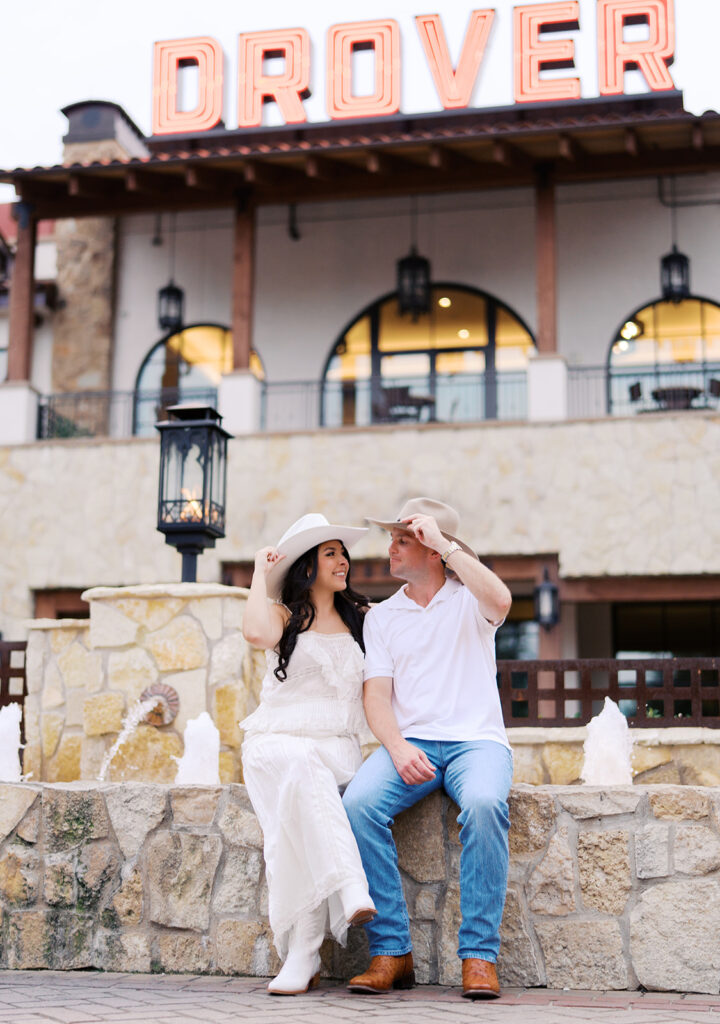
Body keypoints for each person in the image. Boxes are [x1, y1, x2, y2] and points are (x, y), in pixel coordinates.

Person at [342, 497, 514, 1000]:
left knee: (484, 804)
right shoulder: (384, 617)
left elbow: (502, 601)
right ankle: (392, 951)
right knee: (357, 805)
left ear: (434, 551)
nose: (390, 548)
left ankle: (480, 958)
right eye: (391, 538)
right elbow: (376, 696)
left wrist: (446, 543)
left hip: (477, 742)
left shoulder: (470, 598)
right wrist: (396, 748)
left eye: (402, 539)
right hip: (412, 742)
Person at [240, 513, 376, 996]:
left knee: (307, 784)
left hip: (337, 747)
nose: (343, 561)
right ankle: (348, 887)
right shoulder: (285, 616)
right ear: (306, 566)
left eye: (342, 552)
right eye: (330, 553)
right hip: (275, 742)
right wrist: (260, 571)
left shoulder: (363, 618)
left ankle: (304, 953)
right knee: (301, 767)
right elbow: (255, 633)